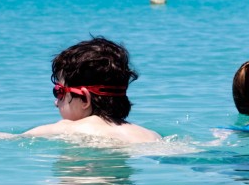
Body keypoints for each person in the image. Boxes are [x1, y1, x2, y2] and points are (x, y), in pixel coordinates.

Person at [23, 37, 161, 143]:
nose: (55, 102)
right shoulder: (151, 135)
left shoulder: (68, 128)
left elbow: (11, 139)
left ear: (84, 98)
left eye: (59, 92)